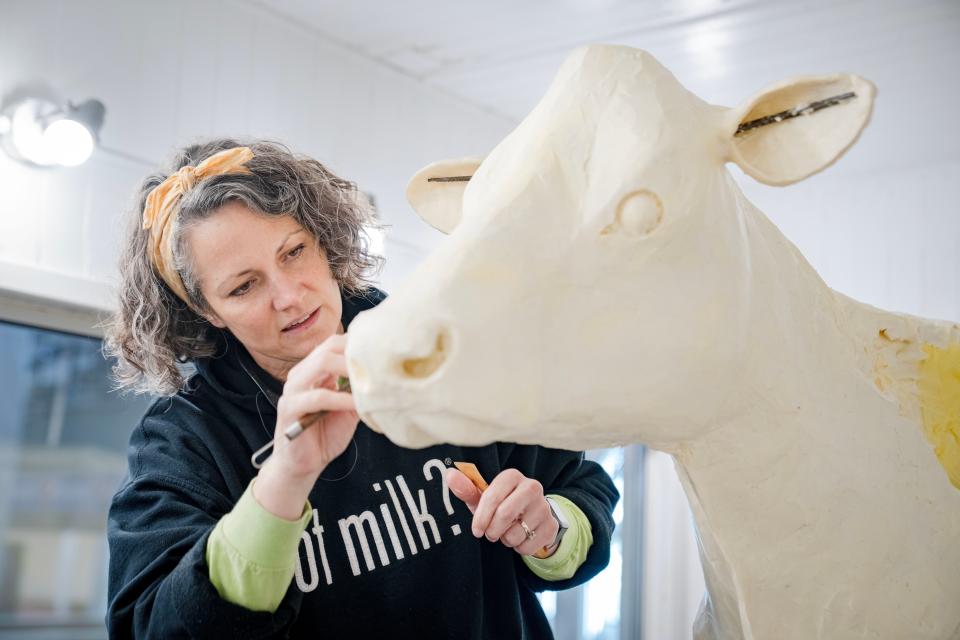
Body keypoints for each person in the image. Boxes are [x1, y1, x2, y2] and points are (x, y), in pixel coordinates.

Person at [103, 139, 619, 639]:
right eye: (243, 286)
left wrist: (550, 530)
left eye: (293, 252)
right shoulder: (182, 440)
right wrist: (285, 477)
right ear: (206, 310)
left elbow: (582, 490)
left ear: (325, 243)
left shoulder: (447, 349)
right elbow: (152, 625)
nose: (287, 296)